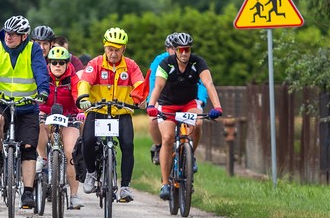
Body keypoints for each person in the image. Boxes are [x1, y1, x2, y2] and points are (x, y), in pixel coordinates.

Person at [0, 15, 50, 210]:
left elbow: (41, 71)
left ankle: (27, 192)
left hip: (27, 105)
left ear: (24, 36)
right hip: (2, 101)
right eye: (7, 32)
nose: (9, 37)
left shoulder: (33, 49)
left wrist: (43, 92)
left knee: (28, 148)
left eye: (14, 34)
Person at [146, 32, 223, 201]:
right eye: (179, 49)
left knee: (198, 124)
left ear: (190, 49)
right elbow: (157, 86)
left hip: (188, 103)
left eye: (186, 49)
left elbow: (208, 84)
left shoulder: (198, 62)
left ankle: (190, 155)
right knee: (167, 138)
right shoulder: (165, 63)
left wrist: (216, 106)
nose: (183, 53)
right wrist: (151, 105)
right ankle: (165, 183)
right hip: (168, 104)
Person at [76, 27, 145, 203]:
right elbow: (84, 82)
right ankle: (91, 173)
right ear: (105, 47)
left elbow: (139, 83)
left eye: (117, 49)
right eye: (110, 49)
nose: (113, 53)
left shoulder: (130, 65)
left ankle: (125, 187)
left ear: (124, 49)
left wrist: (141, 98)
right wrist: (83, 97)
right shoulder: (96, 63)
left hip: (121, 112)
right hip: (98, 111)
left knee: (128, 145)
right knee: (89, 140)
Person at [147, 33, 210, 165]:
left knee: (196, 123)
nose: (176, 51)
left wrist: (201, 99)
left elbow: (201, 83)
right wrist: (152, 102)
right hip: (164, 99)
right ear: (167, 49)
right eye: (172, 48)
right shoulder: (161, 61)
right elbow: (154, 82)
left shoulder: (191, 61)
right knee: (152, 120)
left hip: (188, 100)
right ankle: (159, 147)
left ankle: (189, 154)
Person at [38, 45, 84, 209]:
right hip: (46, 115)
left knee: (71, 152)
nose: (58, 66)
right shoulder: (43, 76)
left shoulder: (72, 79)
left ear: (66, 64)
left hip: (68, 117)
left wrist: (80, 111)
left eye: (61, 63)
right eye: (54, 62)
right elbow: (36, 94)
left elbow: (78, 95)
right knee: (37, 124)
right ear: (49, 63)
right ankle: (42, 159)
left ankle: (73, 196)